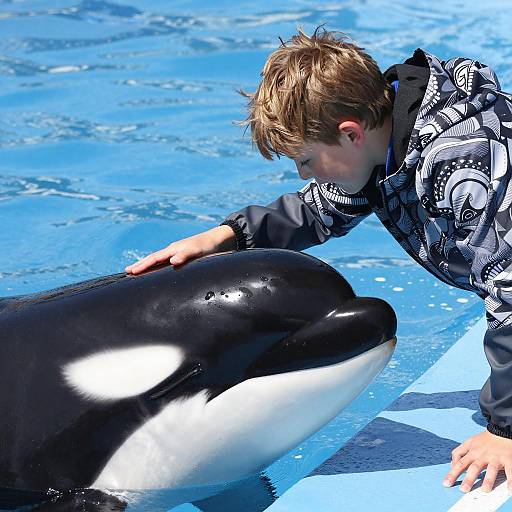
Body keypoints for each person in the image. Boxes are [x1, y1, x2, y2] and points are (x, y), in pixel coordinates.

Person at [125, 26, 512, 494]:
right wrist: (225, 237)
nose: (303, 174)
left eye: (305, 160)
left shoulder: (464, 162)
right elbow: (317, 210)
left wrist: (504, 430)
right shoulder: (386, 141)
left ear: (349, 134)